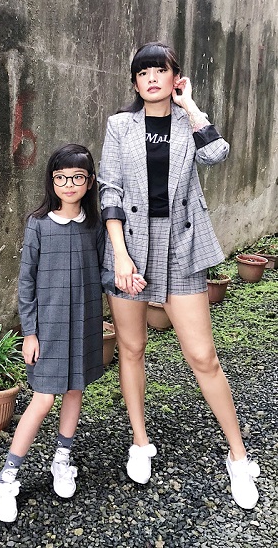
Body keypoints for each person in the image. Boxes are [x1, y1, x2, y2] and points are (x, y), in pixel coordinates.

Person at [98, 41, 260, 509]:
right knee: (131, 348)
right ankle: (140, 441)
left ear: (175, 78)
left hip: (181, 245)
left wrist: (190, 106)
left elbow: (218, 154)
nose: (151, 78)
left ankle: (238, 456)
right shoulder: (120, 125)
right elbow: (110, 189)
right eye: (143, 72)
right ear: (135, 82)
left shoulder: (188, 122)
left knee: (203, 356)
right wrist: (120, 255)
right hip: (130, 246)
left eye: (160, 71)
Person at [0, 144, 105, 522]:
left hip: (85, 323)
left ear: (89, 182)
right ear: (51, 181)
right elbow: (26, 283)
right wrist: (30, 332)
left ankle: (62, 458)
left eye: (77, 177)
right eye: (60, 178)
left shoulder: (95, 225)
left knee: (75, 390)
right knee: (42, 399)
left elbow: (104, 270)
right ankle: (7, 477)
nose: (68, 184)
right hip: (49, 328)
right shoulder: (38, 224)